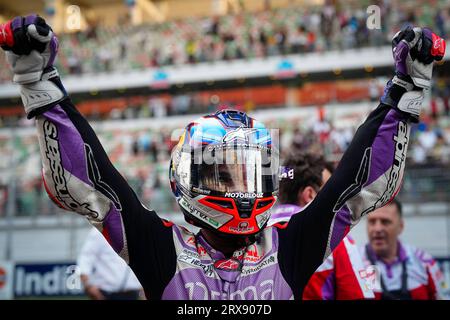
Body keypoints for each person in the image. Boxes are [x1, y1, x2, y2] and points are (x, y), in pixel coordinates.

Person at [0, 15, 445, 299]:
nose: (242, 187)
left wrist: (405, 92)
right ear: (187, 180)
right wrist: (39, 85)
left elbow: (356, 185)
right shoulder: (163, 248)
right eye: (225, 174)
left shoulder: (289, 244)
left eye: (250, 171)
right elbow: (94, 185)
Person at [270, 152, 374, 300]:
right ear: (310, 195)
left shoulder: (258, 234)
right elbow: (358, 295)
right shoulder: (335, 237)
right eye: (329, 191)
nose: (336, 197)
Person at [361, 199, 447, 300]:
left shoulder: (424, 262)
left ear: (400, 226)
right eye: (372, 222)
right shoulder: (356, 262)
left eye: (385, 222)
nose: (377, 229)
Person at [78, 227, 143, 300]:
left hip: (131, 293)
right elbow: (86, 257)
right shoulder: (100, 230)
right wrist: (88, 285)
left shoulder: (137, 230)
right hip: (106, 293)